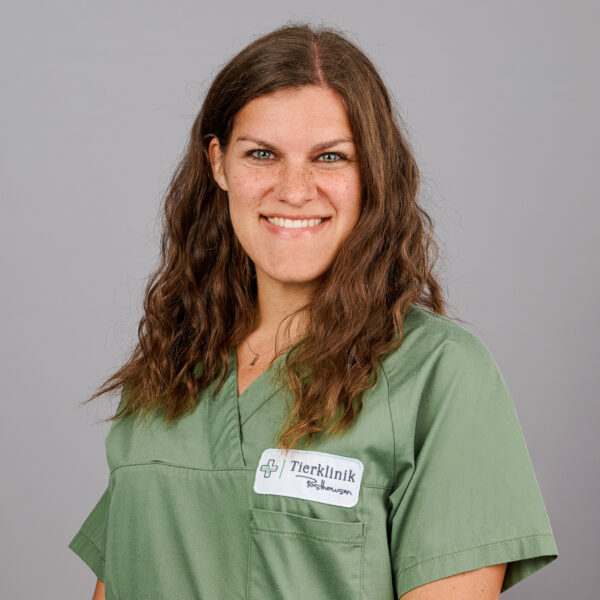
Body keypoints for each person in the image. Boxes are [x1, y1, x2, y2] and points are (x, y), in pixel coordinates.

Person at [68, 22, 558, 600]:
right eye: (262, 154)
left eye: (330, 157)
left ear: (372, 171)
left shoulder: (439, 375)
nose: (295, 190)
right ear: (218, 163)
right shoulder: (167, 371)